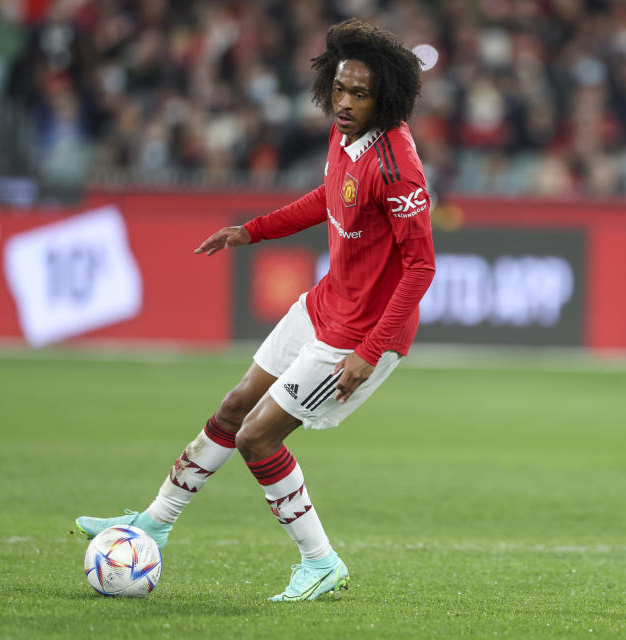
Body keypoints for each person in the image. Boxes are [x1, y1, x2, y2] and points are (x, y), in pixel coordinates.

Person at [77, 18, 435, 601]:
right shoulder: (344, 137)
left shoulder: (398, 167)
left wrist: (369, 353)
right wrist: (254, 231)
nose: (344, 103)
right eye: (339, 89)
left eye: (359, 94)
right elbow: (328, 196)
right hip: (325, 304)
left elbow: (421, 268)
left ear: (386, 97)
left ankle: (320, 562)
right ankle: (154, 524)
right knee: (235, 404)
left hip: (360, 335)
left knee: (258, 438)